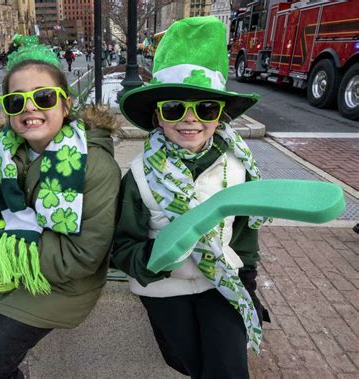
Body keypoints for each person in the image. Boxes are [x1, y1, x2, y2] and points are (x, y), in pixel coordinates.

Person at [0, 36, 121, 378]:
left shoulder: (95, 166)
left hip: (61, 285)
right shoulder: (5, 153)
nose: (30, 108)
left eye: (43, 97)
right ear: (8, 109)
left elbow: (82, 256)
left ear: (65, 105)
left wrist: (9, 254)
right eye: (17, 101)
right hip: (6, 269)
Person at [112, 16, 269, 378]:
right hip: (164, 287)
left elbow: (245, 232)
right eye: (174, 108)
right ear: (158, 115)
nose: (190, 120)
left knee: (228, 367)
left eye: (206, 109)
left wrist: (247, 282)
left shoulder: (238, 166)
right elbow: (122, 247)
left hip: (222, 282)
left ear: (220, 115)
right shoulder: (139, 176)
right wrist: (158, 255)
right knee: (185, 362)